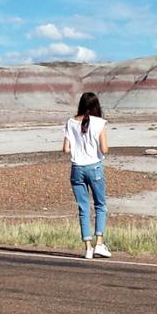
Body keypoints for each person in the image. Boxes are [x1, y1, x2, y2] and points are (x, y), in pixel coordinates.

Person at [63, 92, 111, 259]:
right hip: (94, 167)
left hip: (77, 169)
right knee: (100, 206)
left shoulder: (70, 122)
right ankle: (99, 243)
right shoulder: (100, 123)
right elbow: (104, 149)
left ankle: (88, 248)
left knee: (83, 208)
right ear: (96, 105)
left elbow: (66, 149)